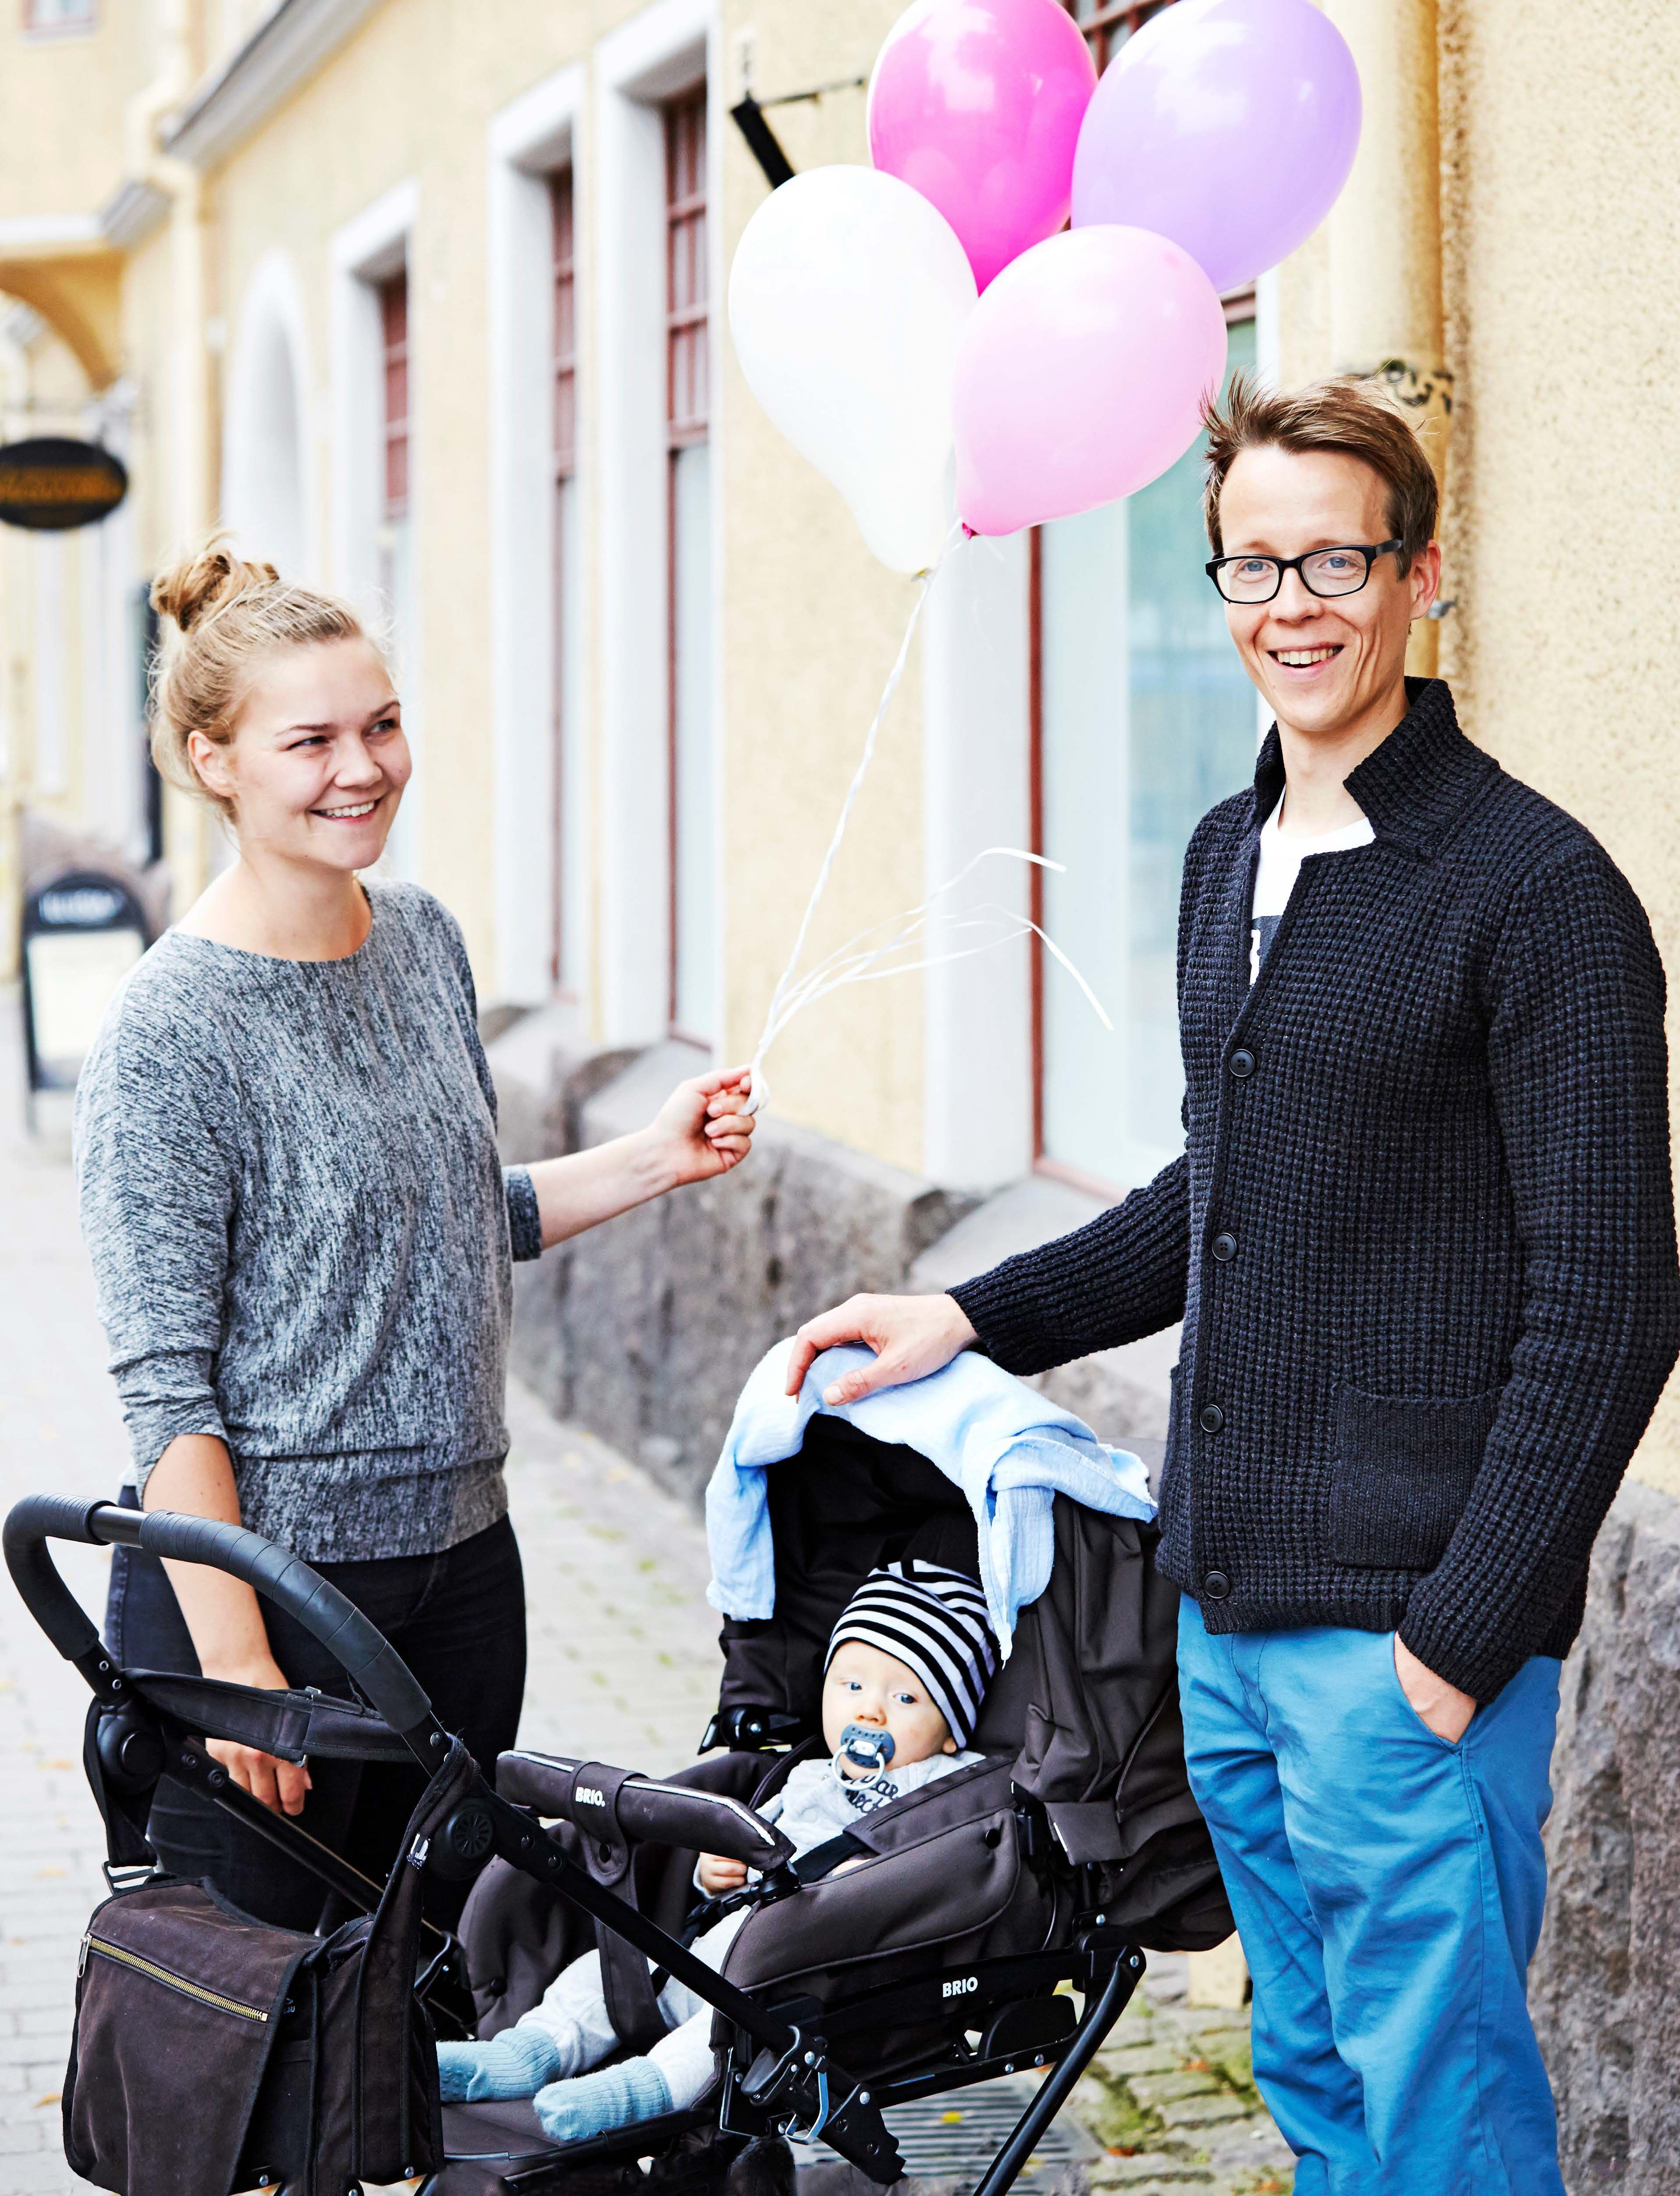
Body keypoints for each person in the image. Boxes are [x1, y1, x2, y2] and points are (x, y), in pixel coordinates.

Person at [782, 377, 1680, 2194]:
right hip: (1228, 1611)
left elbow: (1609, 1296)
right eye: (1251, 563)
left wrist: (1466, 1632)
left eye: (1335, 557)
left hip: (1406, 1635)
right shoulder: (1223, 854)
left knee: (1443, 2104)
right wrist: (970, 1313)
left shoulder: (1534, 890)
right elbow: (1227, 1186)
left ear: (1419, 574)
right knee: (1309, 2068)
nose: (1293, 603)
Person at [77, 541, 757, 1929]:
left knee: (432, 1991)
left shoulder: (423, 939)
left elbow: (452, 1223)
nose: (363, 767)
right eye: (310, 740)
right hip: (275, 1594)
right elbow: (168, 1390)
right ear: (215, 762)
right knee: (271, 2045)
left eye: (381, 725)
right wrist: (242, 1674)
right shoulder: (168, 1033)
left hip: (465, 1565)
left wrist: (653, 1159)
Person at [436, 1559, 998, 2142]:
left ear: (952, 1727)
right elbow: (753, 1841)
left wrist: (865, 1882)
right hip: (709, 1947)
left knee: (718, 2039)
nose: (869, 1711)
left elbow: (939, 1875)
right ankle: (522, 2055)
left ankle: (637, 2091)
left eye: (905, 1696)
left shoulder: (947, 1792)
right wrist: (715, 1874)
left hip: (786, 1981)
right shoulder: (805, 1776)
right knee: (608, 1970)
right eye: (851, 1685)